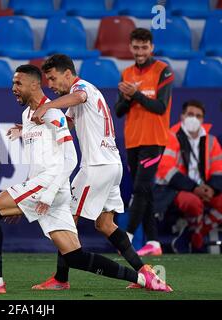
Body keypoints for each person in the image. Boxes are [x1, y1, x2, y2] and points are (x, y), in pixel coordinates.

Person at [0, 64, 172, 294]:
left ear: (37, 84)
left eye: (18, 83)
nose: (13, 88)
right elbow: (46, 147)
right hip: (87, 171)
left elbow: (69, 154)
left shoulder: (60, 105)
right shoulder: (31, 114)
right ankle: (144, 278)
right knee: (78, 253)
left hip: (71, 177)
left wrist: (46, 192)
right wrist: (21, 195)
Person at [29, 54, 153, 291]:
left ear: (68, 73)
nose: (51, 85)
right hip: (112, 166)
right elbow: (67, 125)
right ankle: (145, 272)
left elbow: (78, 96)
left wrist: (47, 105)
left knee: (65, 219)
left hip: (96, 167)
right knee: (105, 224)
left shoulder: (81, 88)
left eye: (53, 79)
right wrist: (30, 130)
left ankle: (60, 280)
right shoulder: (80, 97)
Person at [114, 28, 174, 256]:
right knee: (145, 191)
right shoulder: (126, 73)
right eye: (136, 47)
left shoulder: (163, 71)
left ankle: (127, 237)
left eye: (144, 47)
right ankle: (154, 242)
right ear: (131, 48)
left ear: (152, 48)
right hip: (132, 140)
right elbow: (119, 111)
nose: (140, 51)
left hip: (154, 139)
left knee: (140, 188)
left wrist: (136, 94)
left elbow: (160, 107)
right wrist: (128, 97)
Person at [155, 100, 222, 253]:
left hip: (204, 188)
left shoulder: (211, 141)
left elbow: (219, 170)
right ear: (182, 116)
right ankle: (195, 238)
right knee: (193, 202)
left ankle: (194, 233)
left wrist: (211, 189)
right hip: (174, 189)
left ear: (203, 119)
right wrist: (194, 188)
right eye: (190, 114)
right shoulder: (171, 137)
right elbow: (166, 170)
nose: (194, 118)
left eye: (198, 116)